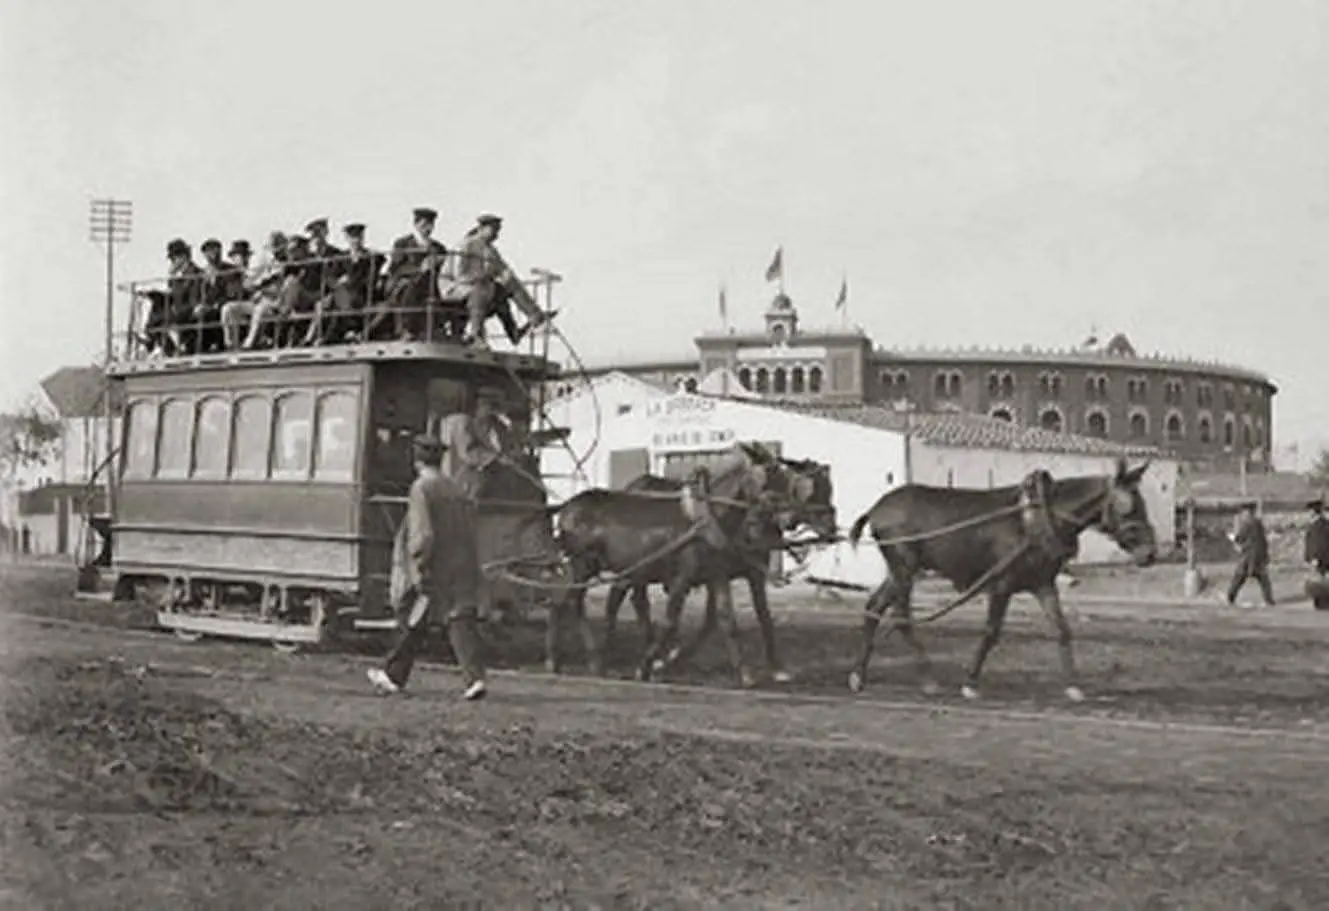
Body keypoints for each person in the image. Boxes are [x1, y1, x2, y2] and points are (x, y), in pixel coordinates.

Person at [368, 433, 487, 700]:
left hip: (436, 564)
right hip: (463, 561)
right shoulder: (454, 488)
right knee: (460, 619)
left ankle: (392, 675)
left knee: (412, 618)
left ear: (416, 460)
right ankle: (475, 679)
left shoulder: (422, 488)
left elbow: (423, 534)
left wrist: (419, 564)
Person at [440, 214, 555, 349]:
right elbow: (458, 275)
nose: (496, 235)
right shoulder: (466, 245)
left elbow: (504, 271)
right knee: (479, 291)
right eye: (493, 230)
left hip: (476, 287)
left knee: (503, 289)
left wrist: (508, 279)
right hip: (453, 287)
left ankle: (530, 318)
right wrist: (484, 277)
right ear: (481, 229)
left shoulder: (491, 251)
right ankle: (475, 336)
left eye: (498, 230)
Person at [371, 207, 448, 341]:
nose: (428, 228)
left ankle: (438, 329)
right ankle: (406, 328)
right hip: (404, 283)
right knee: (410, 288)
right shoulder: (403, 243)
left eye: (431, 225)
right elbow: (395, 268)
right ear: (416, 225)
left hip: (429, 285)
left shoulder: (438, 248)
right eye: (424, 225)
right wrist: (419, 268)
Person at [1226, 500, 1275, 607]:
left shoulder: (1248, 524)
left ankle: (1230, 598)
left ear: (1248, 512)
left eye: (1244, 512)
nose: (1243, 515)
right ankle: (1269, 600)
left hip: (1249, 557)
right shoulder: (1258, 523)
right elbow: (1263, 541)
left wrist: (1233, 538)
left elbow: (1240, 538)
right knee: (1263, 580)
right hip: (1258, 556)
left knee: (1239, 577)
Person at [1304, 497, 1329, 610]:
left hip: (1321, 559)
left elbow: (1319, 543)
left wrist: (1315, 557)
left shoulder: (1319, 525)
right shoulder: (1320, 524)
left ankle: (1322, 603)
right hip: (1321, 558)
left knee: (1320, 582)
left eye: (1310, 510)